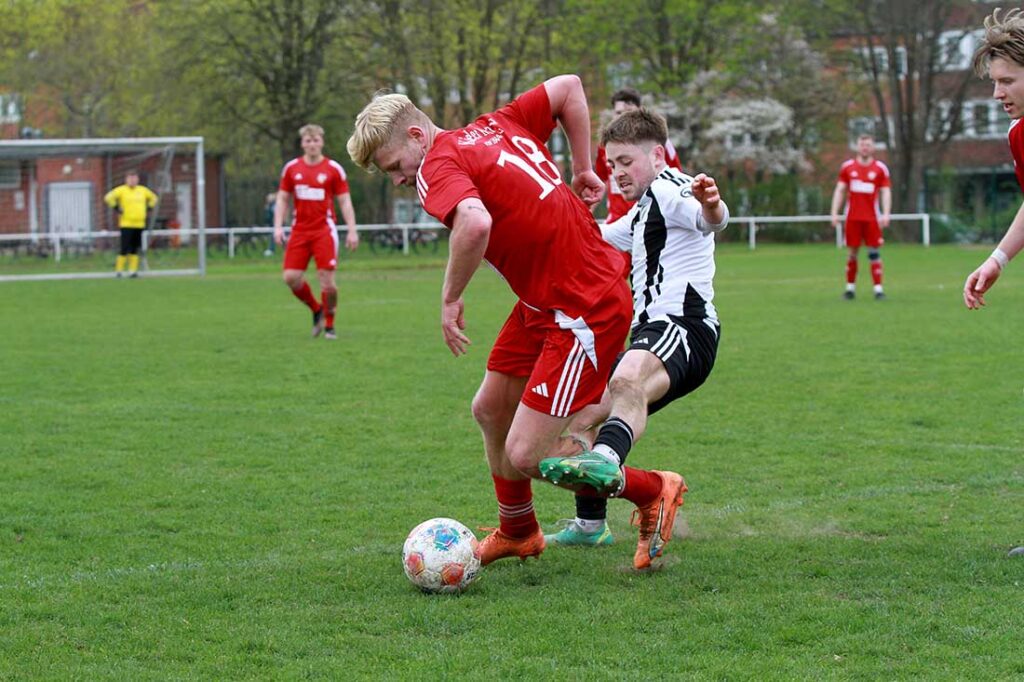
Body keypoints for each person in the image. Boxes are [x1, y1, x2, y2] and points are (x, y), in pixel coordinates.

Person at [347, 74, 687, 571]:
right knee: (489, 408)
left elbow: (475, 222)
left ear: (417, 136)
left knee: (529, 453)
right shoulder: (493, 125)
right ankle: (519, 529)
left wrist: (450, 298)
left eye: (395, 166)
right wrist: (581, 168)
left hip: (581, 306)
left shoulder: (436, 165)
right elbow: (568, 88)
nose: (399, 179)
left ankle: (652, 489)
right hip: (545, 300)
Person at [539, 109, 728, 552]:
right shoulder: (643, 210)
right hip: (654, 336)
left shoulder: (671, 187)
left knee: (625, 379)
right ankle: (590, 525)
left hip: (684, 328)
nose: (617, 172)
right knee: (583, 415)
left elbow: (710, 220)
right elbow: (597, 238)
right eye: (611, 164)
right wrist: (557, 212)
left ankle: (606, 462)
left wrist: (711, 203)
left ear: (657, 155)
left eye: (625, 161)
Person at [963, 7, 1024, 558]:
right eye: (994, 82)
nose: (998, 93)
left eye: (1007, 81)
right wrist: (999, 258)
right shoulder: (1019, 134)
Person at [274, 123, 359, 341]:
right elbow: (282, 198)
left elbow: (344, 201)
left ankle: (329, 326)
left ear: (322, 142)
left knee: (327, 282)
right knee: (290, 277)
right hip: (299, 230)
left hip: (324, 231)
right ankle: (316, 309)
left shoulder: (333, 169)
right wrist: (278, 227)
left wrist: (352, 230)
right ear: (302, 144)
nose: (312, 144)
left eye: (316, 140)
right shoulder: (292, 169)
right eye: (308, 141)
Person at [595, 87, 683, 223]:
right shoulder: (605, 146)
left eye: (628, 112)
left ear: (639, 111)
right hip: (616, 219)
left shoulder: (657, 143)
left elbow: (674, 174)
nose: (623, 117)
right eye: (618, 113)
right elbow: (602, 181)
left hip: (648, 217)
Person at [830, 134, 892, 300]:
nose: (865, 148)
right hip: (853, 217)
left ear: (873, 148)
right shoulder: (848, 167)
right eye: (862, 145)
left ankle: (878, 290)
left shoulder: (880, 168)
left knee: (874, 252)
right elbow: (840, 190)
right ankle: (850, 289)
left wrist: (886, 213)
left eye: (868, 145)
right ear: (857, 147)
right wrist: (834, 212)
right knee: (852, 252)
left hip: (872, 218)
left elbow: (886, 191)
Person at [104, 170, 158, 278]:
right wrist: (116, 207)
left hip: (139, 224)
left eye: (134, 178)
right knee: (124, 247)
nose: (132, 181)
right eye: (130, 178)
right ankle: (119, 270)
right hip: (126, 223)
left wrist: (149, 207)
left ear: (137, 179)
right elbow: (108, 197)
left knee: (135, 248)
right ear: (126, 179)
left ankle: (132, 271)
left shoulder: (142, 190)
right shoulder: (121, 190)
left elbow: (154, 198)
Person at [263, 192, 277, 257]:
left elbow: (275, 216)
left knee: (275, 237)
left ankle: (271, 250)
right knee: (272, 237)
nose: (268, 199)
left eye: (269, 198)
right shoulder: (268, 206)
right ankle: (271, 250)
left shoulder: (274, 206)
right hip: (271, 224)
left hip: (275, 225)